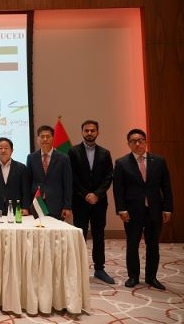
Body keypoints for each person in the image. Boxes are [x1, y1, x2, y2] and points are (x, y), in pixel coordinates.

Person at [113, 128, 173, 290]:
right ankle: (133, 276)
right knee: (132, 244)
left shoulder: (159, 161)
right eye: (133, 141)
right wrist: (121, 209)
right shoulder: (122, 163)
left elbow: (166, 186)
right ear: (129, 144)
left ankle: (151, 277)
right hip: (132, 211)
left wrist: (167, 208)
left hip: (155, 210)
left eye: (141, 140)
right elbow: (118, 189)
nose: (138, 144)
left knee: (153, 245)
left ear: (146, 142)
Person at [68, 120, 115, 284]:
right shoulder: (73, 152)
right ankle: (78, 269)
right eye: (86, 130)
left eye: (92, 130)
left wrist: (97, 194)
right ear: (82, 132)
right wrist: (86, 194)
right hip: (80, 201)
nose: (89, 133)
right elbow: (72, 176)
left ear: (97, 132)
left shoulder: (105, 153)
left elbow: (109, 176)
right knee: (80, 236)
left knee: (99, 235)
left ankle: (99, 269)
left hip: (99, 202)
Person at [26, 125, 72, 220]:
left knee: (55, 229)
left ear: (53, 138)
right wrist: (26, 205)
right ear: (38, 139)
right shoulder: (31, 158)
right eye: (42, 136)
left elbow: (67, 184)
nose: (45, 139)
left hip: (56, 205)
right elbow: (28, 182)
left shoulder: (63, 158)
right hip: (37, 204)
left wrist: (67, 206)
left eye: (48, 136)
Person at [0, 137, 31, 215]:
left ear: (12, 150)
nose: (3, 150)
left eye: (6, 148)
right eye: (0, 148)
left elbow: (25, 190)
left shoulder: (21, 168)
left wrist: (25, 207)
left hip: (17, 210)